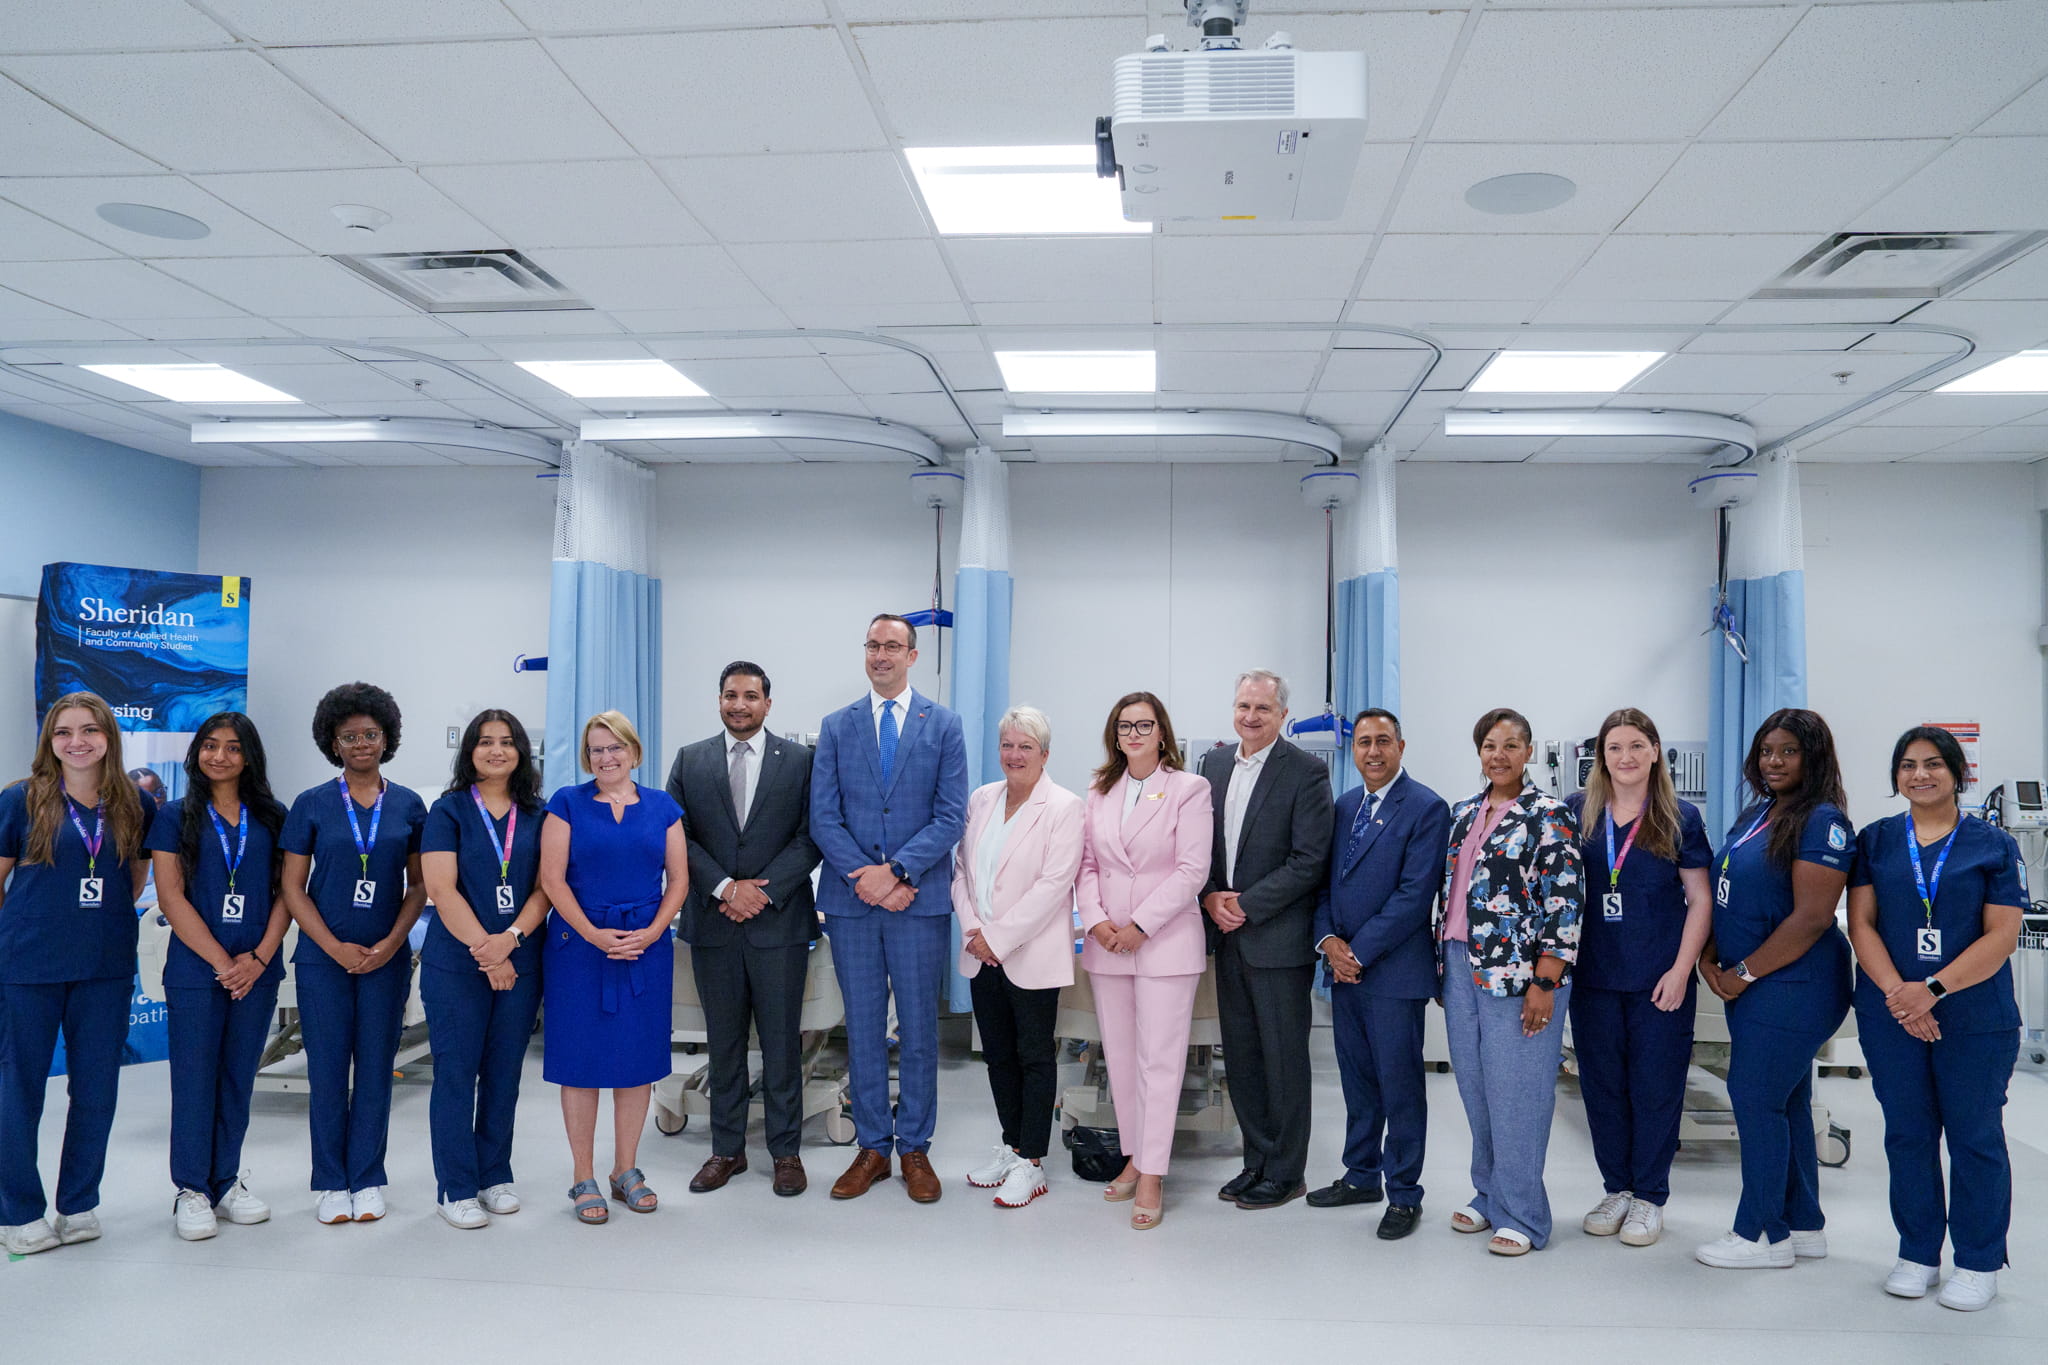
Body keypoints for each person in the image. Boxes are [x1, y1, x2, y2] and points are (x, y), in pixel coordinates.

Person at [1847, 726, 2024, 1311]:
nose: (1919, 775)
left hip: (1973, 1015)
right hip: (1890, 1010)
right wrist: (1901, 994)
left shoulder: (1993, 844)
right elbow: (1863, 924)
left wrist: (1935, 989)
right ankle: (1918, 1252)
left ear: (1957, 772)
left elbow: (2003, 934)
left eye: (1932, 764)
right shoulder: (1874, 842)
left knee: (1974, 1136)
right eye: (1907, 765)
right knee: (1908, 1135)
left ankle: (1977, 1261)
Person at [809, 614, 968, 1204]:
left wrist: (898, 872)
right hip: (852, 904)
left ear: (913, 655)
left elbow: (950, 816)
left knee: (921, 1029)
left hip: (917, 900)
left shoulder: (943, 725)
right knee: (865, 1027)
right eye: (872, 646)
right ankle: (872, 1146)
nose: (880, 655)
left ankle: (915, 1148)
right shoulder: (836, 726)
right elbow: (823, 816)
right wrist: (866, 877)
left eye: (891, 646)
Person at [1695, 707, 1854, 1270]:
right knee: (1784, 1102)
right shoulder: (1760, 813)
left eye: (1788, 751)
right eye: (1766, 751)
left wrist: (1742, 973)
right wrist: (1711, 957)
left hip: (1796, 983)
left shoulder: (1823, 821)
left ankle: (1762, 1235)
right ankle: (1804, 1225)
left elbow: (1811, 917)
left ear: (1813, 757)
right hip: (1757, 981)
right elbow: (1728, 891)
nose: (1774, 761)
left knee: (1755, 1098)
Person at [0, 693, 154, 1256]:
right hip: (28, 966)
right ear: (49, 741)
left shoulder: (134, 804)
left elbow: (134, 880)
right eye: (63, 732)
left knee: (96, 1089)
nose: (77, 742)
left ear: (109, 737)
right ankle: (17, 1211)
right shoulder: (21, 799)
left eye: (89, 730)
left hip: (104, 967)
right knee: (18, 1090)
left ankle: (79, 1203)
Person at [667, 662, 820, 1198]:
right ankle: (726, 1150)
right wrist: (725, 887)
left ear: (767, 704)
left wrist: (762, 889)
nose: (739, 705)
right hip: (714, 924)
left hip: (778, 924)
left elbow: (812, 835)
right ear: (719, 700)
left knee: (782, 1045)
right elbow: (676, 835)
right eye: (730, 695)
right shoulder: (691, 759)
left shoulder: (801, 761)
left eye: (750, 696)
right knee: (724, 1044)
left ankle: (785, 1152)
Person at [280, 682, 428, 1225]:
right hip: (324, 961)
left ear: (386, 737)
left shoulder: (410, 804)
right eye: (350, 736)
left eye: (371, 734)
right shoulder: (312, 804)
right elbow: (293, 888)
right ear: (333, 742)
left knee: (374, 1070)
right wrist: (334, 946)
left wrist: (391, 944)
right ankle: (329, 1182)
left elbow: (418, 886)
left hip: (385, 961)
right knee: (326, 1070)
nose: (362, 743)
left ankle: (367, 1177)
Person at [1565, 708, 1713, 1249]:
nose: (1624, 757)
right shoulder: (1579, 812)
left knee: (1656, 1087)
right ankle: (1617, 1189)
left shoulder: (1679, 818)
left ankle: (1650, 1196)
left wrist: (1681, 970)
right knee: (1602, 1088)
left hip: (1659, 978)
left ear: (1655, 751)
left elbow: (1699, 900)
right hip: (1595, 978)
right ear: (1600, 757)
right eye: (1613, 748)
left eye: (1635, 746)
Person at [1439, 707, 1584, 1256]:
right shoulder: (1463, 813)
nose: (1498, 755)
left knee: (1518, 1094)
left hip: (1523, 974)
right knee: (1477, 1089)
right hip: (1459, 964)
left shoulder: (1549, 815)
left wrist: (1547, 979)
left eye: (1510, 745)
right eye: (1489, 746)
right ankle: (1489, 1193)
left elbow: (1566, 900)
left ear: (1528, 752)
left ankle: (1525, 1215)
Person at [539, 711, 688, 1225]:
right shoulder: (566, 804)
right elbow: (552, 880)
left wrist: (652, 932)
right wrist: (593, 935)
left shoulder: (664, 807)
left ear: (634, 751)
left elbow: (679, 882)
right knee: (580, 1064)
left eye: (615, 747)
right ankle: (583, 1175)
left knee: (636, 1062)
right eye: (596, 749)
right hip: (579, 950)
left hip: (645, 948)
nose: (606, 757)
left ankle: (626, 1170)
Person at [145, 712, 289, 1242]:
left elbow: (286, 894)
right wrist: (224, 963)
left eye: (232, 747)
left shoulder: (274, 816)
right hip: (196, 969)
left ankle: (226, 1181)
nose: (220, 757)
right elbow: (170, 896)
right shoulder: (175, 816)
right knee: (194, 1077)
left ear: (249, 756)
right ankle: (191, 1189)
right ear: (196, 753)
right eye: (210, 746)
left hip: (257, 967)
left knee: (236, 1078)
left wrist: (257, 957)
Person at [1309, 708, 1449, 1241]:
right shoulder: (1344, 806)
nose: (1373, 751)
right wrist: (1328, 942)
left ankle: (1404, 1192)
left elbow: (1415, 896)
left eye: (1383, 741)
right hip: (1344, 973)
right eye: (1364, 741)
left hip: (1393, 975)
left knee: (1400, 1086)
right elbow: (1324, 885)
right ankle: (1361, 1175)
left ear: (1401, 746)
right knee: (1358, 1082)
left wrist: (1356, 953)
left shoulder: (1425, 807)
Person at [1198, 669, 1334, 1211]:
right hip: (1227, 938)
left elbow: (1309, 860)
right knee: (1244, 1058)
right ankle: (1255, 1161)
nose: (1250, 717)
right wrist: (1210, 896)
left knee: (1283, 1060)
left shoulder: (1305, 772)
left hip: (1275, 940)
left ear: (1282, 716)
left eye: (1261, 709)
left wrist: (1245, 906)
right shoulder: (1211, 765)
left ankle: (1287, 1170)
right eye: (1242, 706)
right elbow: (1199, 845)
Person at [1077, 691, 1212, 1231]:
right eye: (1124, 726)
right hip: (1109, 944)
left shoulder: (1188, 788)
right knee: (1123, 1059)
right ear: (1115, 734)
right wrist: (1097, 922)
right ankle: (1134, 1155)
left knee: (1160, 1061)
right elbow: (1085, 864)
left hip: (1164, 944)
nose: (1134, 734)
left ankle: (1154, 1173)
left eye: (1144, 725)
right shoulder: (1099, 790)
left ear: (1162, 733)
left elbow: (1191, 870)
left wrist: (1139, 926)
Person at [419, 710, 550, 1229]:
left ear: (521, 750)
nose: (496, 750)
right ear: (469, 750)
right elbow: (440, 889)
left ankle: (494, 1173)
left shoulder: (538, 815)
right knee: (455, 1074)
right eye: (484, 742)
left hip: (519, 961)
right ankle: (455, 1186)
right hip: (457, 965)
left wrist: (510, 941)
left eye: (506, 741)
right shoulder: (447, 811)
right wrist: (487, 949)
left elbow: (546, 888)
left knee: (503, 1075)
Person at [951, 705, 1084, 1210]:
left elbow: (1054, 886)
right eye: (1008, 744)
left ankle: (1032, 1161)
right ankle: (1011, 1147)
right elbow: (960, 870)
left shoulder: (1064, 807)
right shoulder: (982, 799)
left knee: (1033, 1055)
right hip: (980, 952)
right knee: (997, 1055)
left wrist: (998, 938)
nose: (1014, 754)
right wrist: (972, 930)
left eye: (1025, 746)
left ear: (1044, 754)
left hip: (1028, 955)